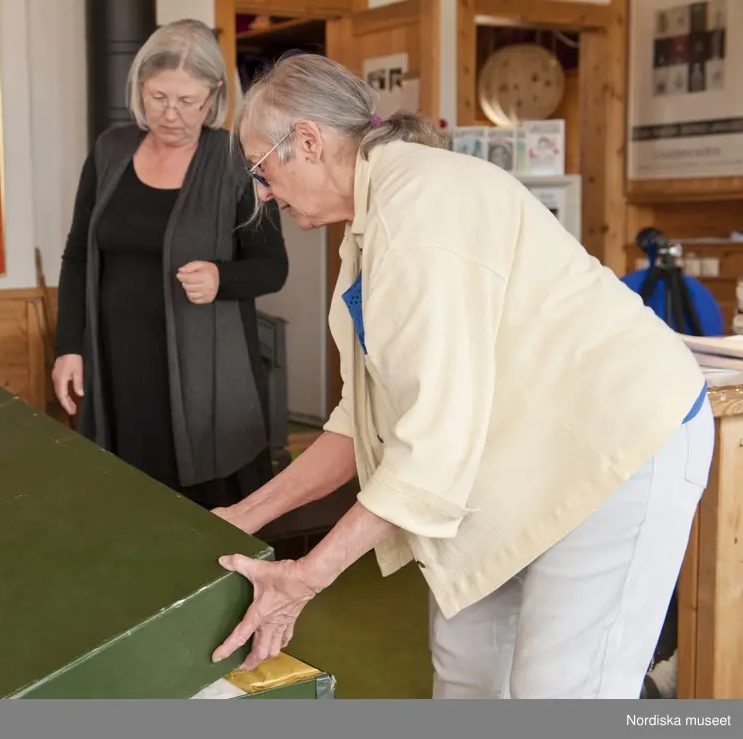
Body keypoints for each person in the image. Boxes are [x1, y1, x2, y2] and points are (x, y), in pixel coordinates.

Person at [208, 53, 712, 699]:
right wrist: (242, 514)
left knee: (561, 688)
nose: (264, 192)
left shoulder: (420, 212)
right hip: (513, 448)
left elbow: (429, 445)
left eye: (261, 168)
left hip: (614, 445)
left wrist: (308, 573)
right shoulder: (369, 221)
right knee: (468, 670)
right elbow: (361, 423)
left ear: (307, 141)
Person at [53, 19, 288, 509]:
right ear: (141, 86)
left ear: (215, 94)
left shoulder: (232, 159)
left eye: (187, 101)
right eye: (159, 97)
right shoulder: (110, 151)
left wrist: (222, 278)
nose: (171, 114)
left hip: (206, 380)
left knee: (203, 511)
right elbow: (78, 255)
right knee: (125, 503)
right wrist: (69, 346)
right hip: (120, 368)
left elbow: (272, 266)